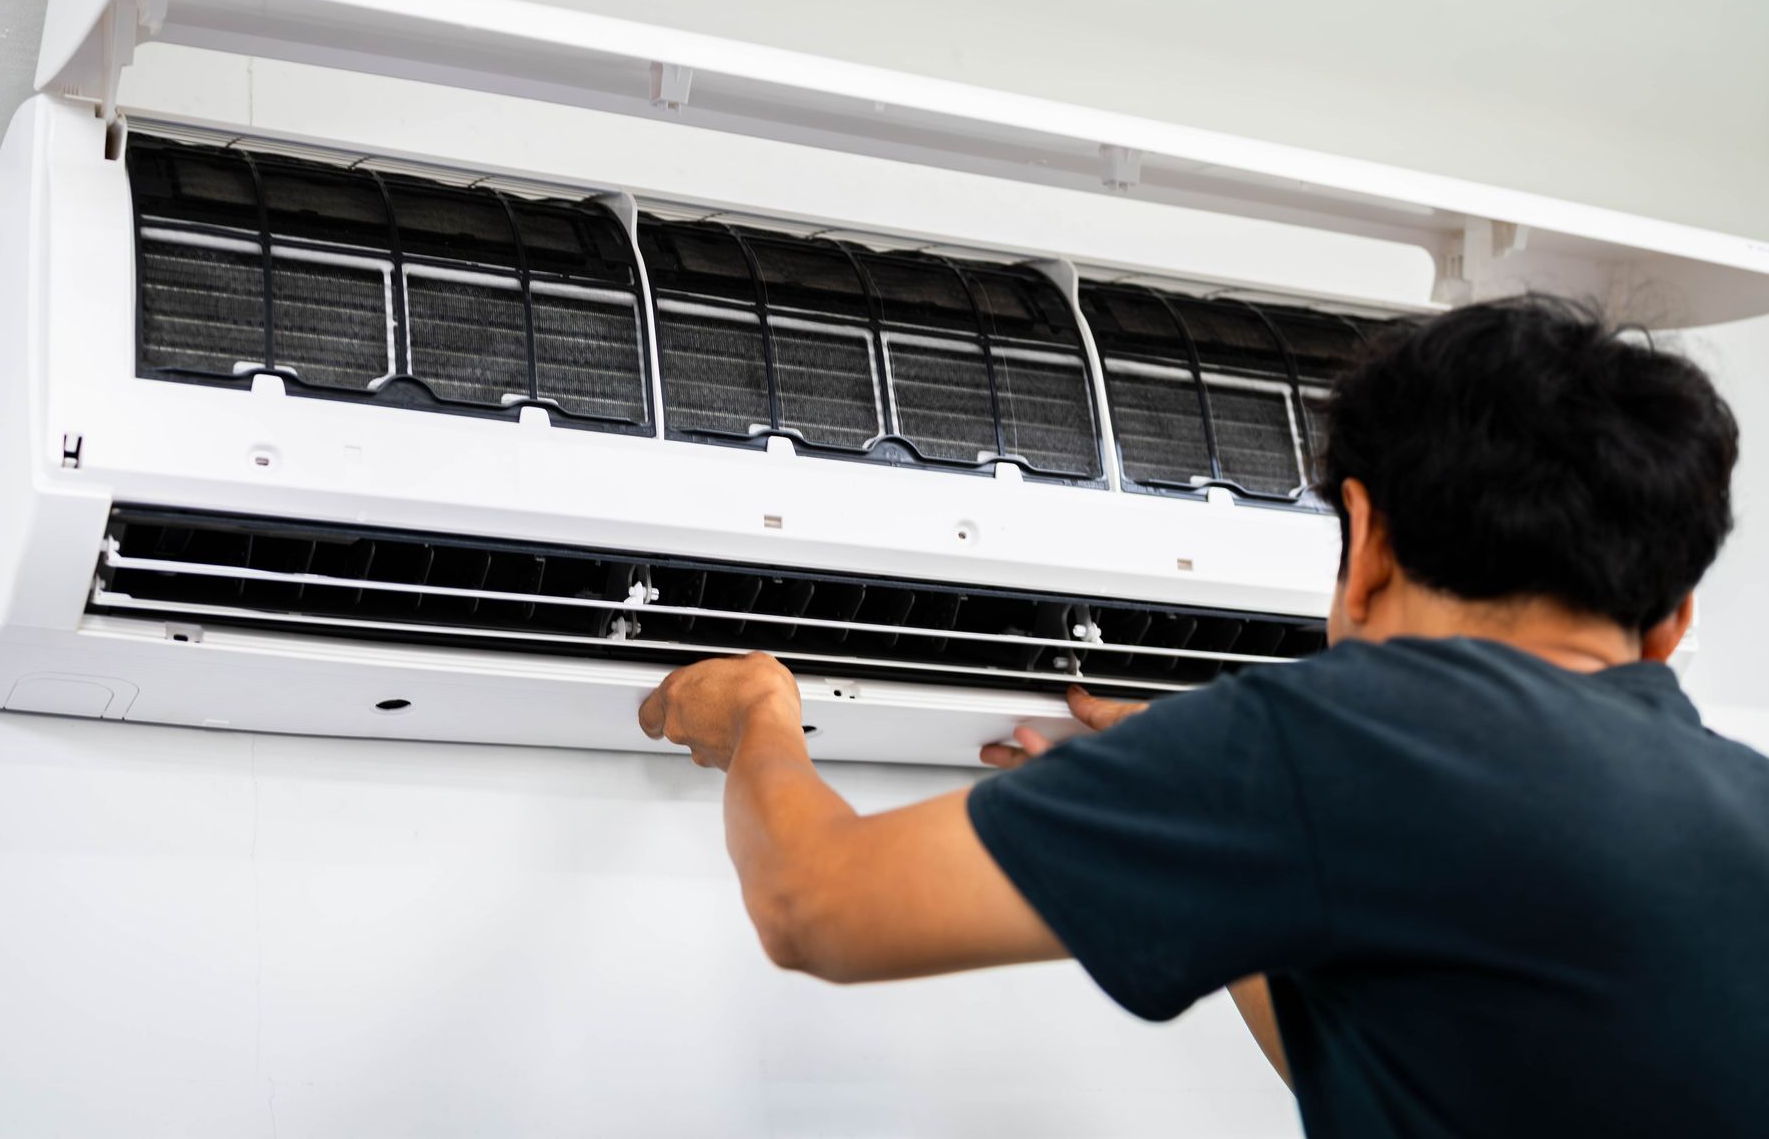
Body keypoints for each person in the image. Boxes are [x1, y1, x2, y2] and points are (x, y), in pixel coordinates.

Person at [637, 297, 1769, 1137]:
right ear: (1670, 617)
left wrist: (757, 715)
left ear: (1365, 539)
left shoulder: (1344, 740)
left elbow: (816, 903)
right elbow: (1416, 1075)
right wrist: (1220, 850)